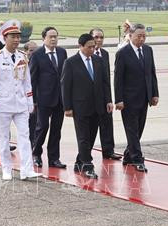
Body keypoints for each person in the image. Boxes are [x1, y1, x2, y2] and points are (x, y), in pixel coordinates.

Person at [0, 20, 41, 181]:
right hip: (3, 104)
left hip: (21, 103)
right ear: (5, 38)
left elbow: (26, 81)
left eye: (18, 37)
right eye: (13, 37)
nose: (16, 40)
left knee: (25, 136)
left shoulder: (23, 56)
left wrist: (30, 101)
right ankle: (6, 169)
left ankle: (27, 169)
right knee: (4, 138)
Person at [61, 33, 114, 179]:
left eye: (93, 46)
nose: (92, 49)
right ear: (80, 46)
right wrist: (67, 107)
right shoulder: (71, 62)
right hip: (80, 107)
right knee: (83, 137)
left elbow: (105, 83)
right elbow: (65, 86)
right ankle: (87, 166)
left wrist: (108, 100)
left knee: (91, 137)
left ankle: (80, 162)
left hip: (97, 105)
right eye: (89, 47)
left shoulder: (98, 60)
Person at [114, 23, 159, 172]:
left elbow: (151, 73)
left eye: (144, 36)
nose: (142, 39)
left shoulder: (148, 50)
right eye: (139, 36)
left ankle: (128, 154)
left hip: (144, 97)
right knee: (131, 130)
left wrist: (154, 94)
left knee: (139, 129)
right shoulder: (123, 53)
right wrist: (118, 99)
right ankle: (137, 159)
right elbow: (118, 79)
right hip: (128, 100)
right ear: (131, 35)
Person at [30, 26, 68, 169]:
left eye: (55, 36)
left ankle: (54, 158)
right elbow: (32, 79)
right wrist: (32, 100)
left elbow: (66, 76)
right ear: (43, 39)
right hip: (43, 99)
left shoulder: (62, 52)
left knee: (56, 129)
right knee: (42, 127)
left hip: (60, 99)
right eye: (50, 37)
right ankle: (36, 154)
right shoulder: (37, 55)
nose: (53, 39)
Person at [90, 28, 120, 160]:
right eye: (96, 37)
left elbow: (106, 79)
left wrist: (109, 99)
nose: (99, 40)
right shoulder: (86, 54)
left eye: (101, 37)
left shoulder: (105, 54)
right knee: (90, 129)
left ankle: (108, 151)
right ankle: (85, 154)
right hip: (91, 99)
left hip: (104, 97)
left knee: (107, 124)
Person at [23, 41, 38, 145]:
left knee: (34, 123)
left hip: (35, 98)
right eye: (31, 51)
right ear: (26, 51)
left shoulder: (39, 61)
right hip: (22, 99)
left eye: (35, 51)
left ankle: (33, 143)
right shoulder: (20, 62)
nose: (34, 53)